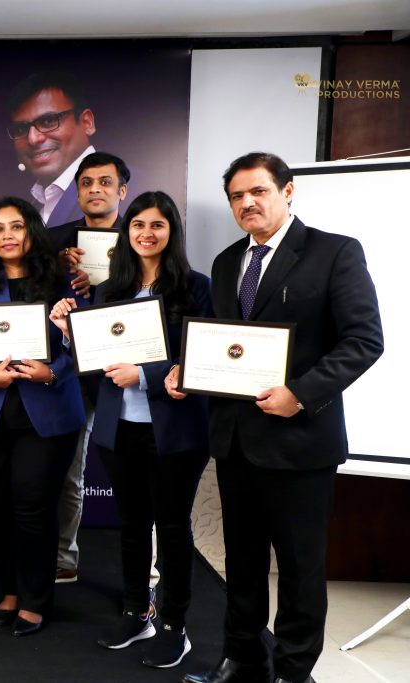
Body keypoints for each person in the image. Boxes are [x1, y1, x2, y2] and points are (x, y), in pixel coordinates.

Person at [172, 153, 383, 683]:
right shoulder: (226, 262)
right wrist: (187, 370)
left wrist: (300, 394)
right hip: (235, 440)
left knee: (299, 568)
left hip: (300, 440)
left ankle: (292, 670)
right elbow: (225, 344)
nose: (247, 203)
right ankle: (241, 657)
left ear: (287, 192)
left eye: (258, 191)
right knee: (240, 562)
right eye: (236, 196)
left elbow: (363, 340)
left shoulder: (335, 252)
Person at [52, 191, 211, 668]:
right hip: (120, 427)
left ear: (172, 232)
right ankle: (136, 612)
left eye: (157, 225)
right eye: (138, 225)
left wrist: (143, 375)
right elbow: (94, 364)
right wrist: (69, 334)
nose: (146, 233)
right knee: (133, 526)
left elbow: (201, 357)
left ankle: (174, 626)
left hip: (174, 430)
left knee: (174, 528)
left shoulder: (196, 287)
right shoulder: (109, 291)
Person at [0, 196, 86, 637]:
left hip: (48, 412)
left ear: (32, 233)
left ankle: (35, 598)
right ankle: (9, 589)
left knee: (32, 504)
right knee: (0, 504)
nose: (7, 235)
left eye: (17, 226)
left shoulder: (63, 282)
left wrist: (53, 371)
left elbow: (85, 344)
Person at [48, 151, 131, 587]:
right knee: (68, 471)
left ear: (122, 191)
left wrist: (105, 281)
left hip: (123, 372)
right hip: (69, 371)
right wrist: (54, 266)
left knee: (136, 474)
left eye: (105, 182)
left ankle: (144, 574)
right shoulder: (54, 241)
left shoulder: (142, 237)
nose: (95, 189)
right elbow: (31, 293)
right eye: (86, 183)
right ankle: (64, 557)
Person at [7, 71, 97, 227]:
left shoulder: (128, 190)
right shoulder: (34, 205)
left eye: (48, 121)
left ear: (86, 122)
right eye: (21, 129)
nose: (33, 139)